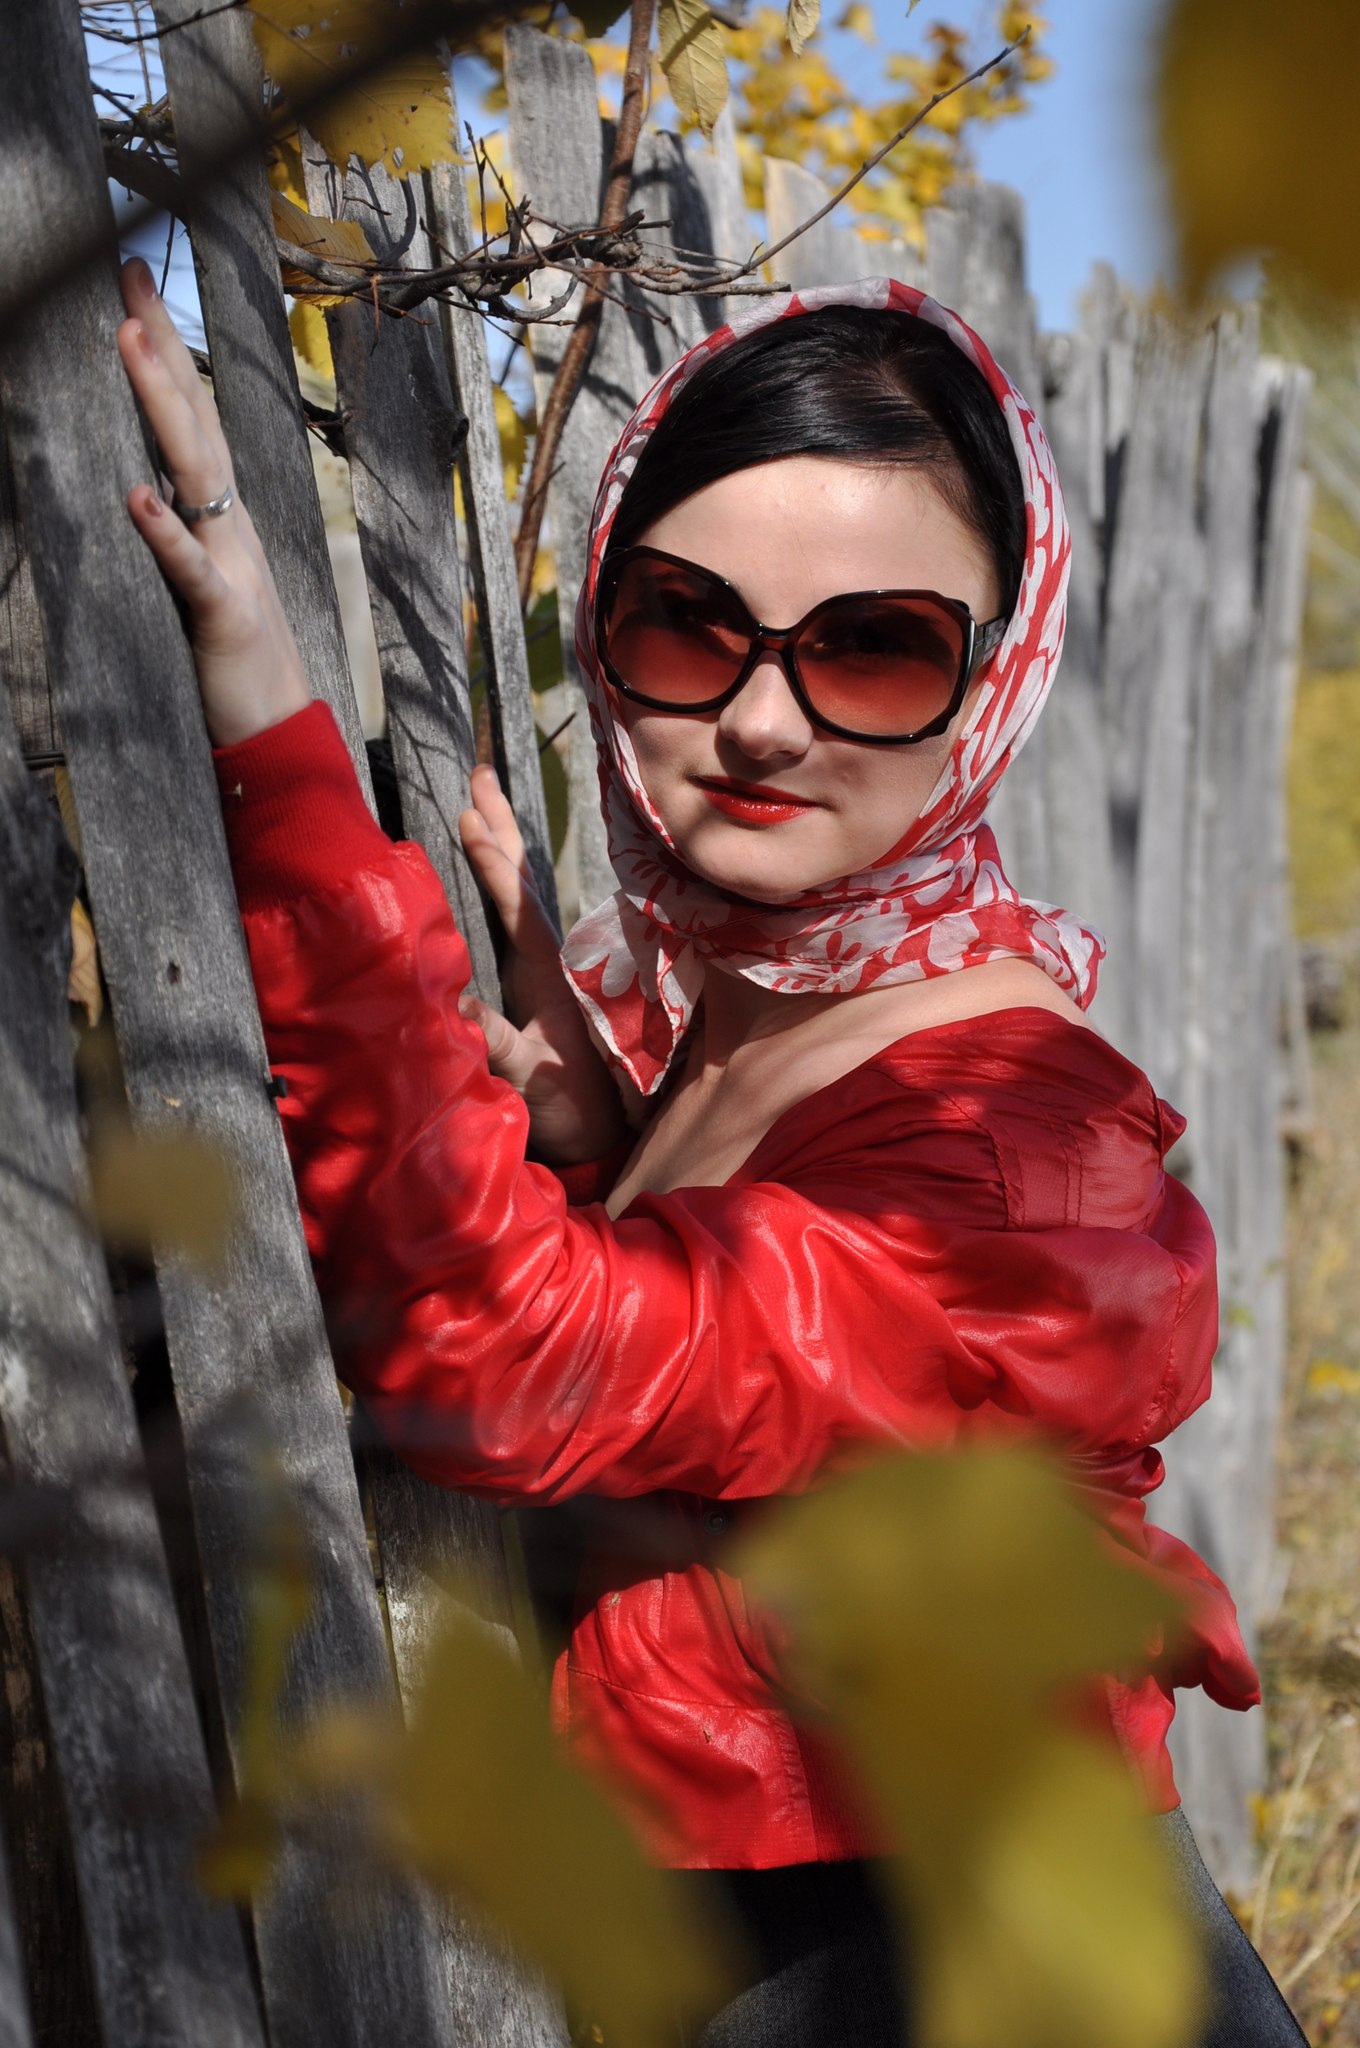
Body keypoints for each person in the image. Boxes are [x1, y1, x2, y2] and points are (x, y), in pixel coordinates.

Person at [115, 255, 1309, 2046]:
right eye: (689, 623)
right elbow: (728, 1392)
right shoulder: (752, 1007)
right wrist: (598, 1155)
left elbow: (515, 1352)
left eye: (874, 648)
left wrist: (274, 724)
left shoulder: (1013, 1147)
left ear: (994, 680)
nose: (761, 720)